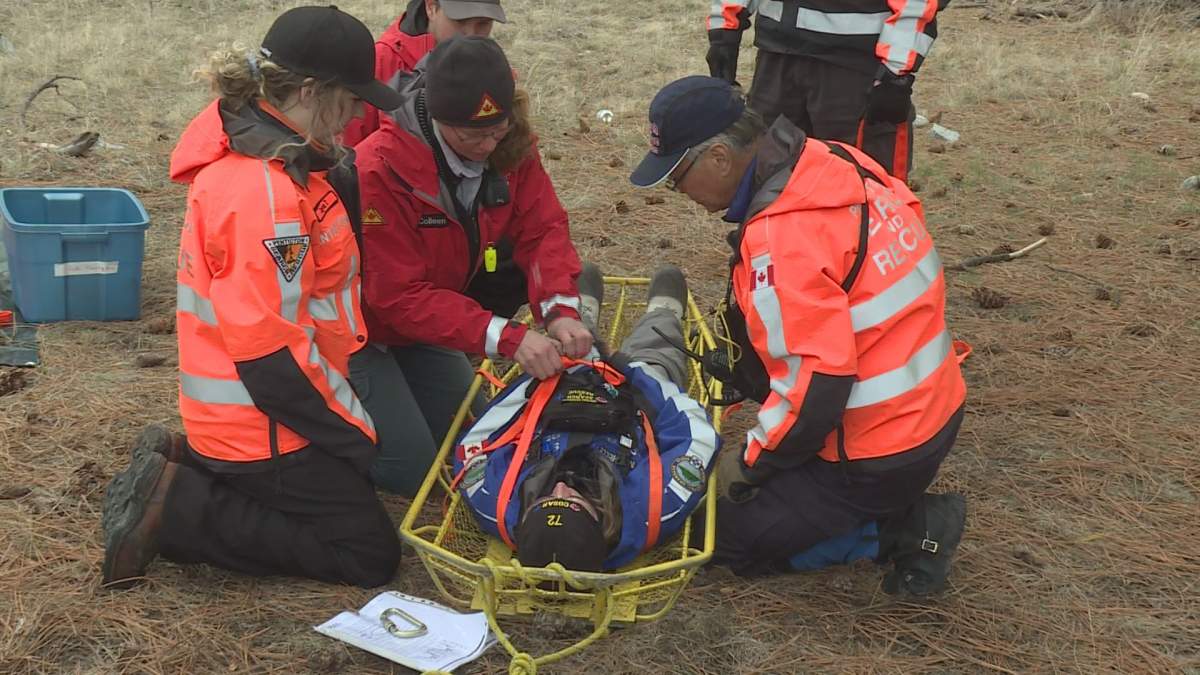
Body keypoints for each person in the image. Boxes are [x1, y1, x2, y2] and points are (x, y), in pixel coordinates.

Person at [99, 6, 404, 590]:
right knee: (367, 552)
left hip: (255, 413)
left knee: (356, 492)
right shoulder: (264, 194)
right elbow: (271, 356)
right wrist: (352, 434)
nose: (359, 112)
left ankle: (187, 465)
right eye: (351, 98)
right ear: (311, 92)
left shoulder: (276, 160)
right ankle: (181, 506)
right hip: (260, 424)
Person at [630, 76, 967, 596]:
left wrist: (746, 468)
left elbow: (819, 386)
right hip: (931, 409)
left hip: (875, 453)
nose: (680, 194)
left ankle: (900, 530)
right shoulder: (831, 160)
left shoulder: (782, 236)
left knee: (712, 536)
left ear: (719, 157)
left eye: (678, 178)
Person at [353, 36, 588, 497]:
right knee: (415, 471)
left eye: (496, 130)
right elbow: (395, 295)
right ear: (437, 120)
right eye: (470, 136)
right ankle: (316, 445)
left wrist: (561, 309)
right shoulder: (379, 169)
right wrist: (508, 337)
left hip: (424, 327)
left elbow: (542, 229)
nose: (486, 145)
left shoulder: (511, 145)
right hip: (359, 331)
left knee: (477, 438)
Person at [454, 264, 720, 571]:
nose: (561, 488)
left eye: (545, 501)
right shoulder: (655, 507)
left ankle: (582, 314)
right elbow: (698, 436)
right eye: (576, 503)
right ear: (602, 525)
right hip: (635, 404)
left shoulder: (494, 501)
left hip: (562, 392)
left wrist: (541, 380)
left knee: (573, 343)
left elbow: (475, 441)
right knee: (657, 357)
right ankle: (663, 313)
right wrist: (634, 373)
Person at [704, 0, 948, 182]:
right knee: (768, 171)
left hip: (856, 63)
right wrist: (725, 26)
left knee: (861, 179)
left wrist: (896, 72)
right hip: (778, 57)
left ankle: (864, 249)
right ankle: (772, 248)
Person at [340, 0, 505, 146]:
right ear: (431, 7)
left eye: (483, 23)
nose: (471, 34)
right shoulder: (379, 64)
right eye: (460, 21)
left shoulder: (493, 66)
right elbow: (346, 158)